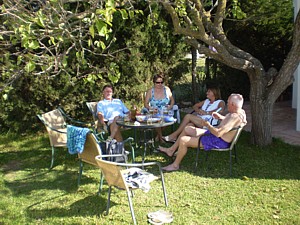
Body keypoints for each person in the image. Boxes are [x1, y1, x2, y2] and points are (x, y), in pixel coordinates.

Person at [159, 93, 247, 172]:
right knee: (187, 129)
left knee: (184, 140)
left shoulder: (234, 117)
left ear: (233, 104)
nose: (227, 104)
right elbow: (229, 123)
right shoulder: (240, 112)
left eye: (228, 102)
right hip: (215, 135)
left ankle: (175, 165)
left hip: (218, 141)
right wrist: (220, 117)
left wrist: (208, 125)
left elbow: (218, 133)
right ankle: (171, 150)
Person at [144, 74, 175, 142]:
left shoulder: (166, 89)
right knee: (157, 118)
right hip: (155, 111)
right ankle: (161, 138)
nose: (160, 84)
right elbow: (145, 104)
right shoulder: (150, 91)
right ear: (154, 83)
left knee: (168, 119)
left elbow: (172, 100)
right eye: (158, 82)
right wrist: (150, 108)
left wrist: (170, 106)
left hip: (165, 110)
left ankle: (158, 136)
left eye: (161, 82)